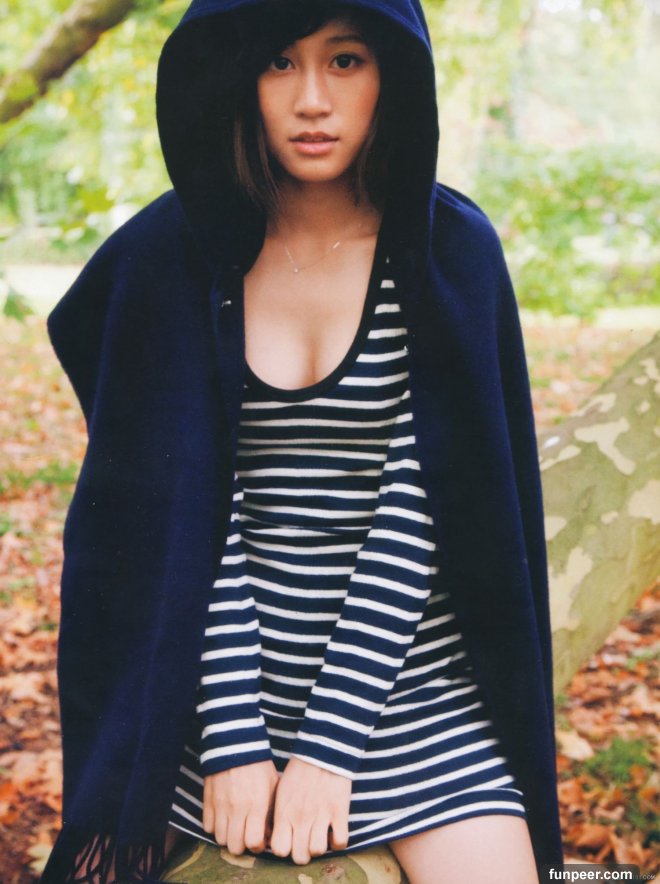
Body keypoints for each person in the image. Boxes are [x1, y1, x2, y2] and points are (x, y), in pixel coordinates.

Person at [41, 1, 563, 882]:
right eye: (279, 62)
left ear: (392, 75)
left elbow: (421, 515)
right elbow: (188, 509)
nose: (312, 99)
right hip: (208, 696)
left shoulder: (447, 253)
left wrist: (326, 751)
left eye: (345, 61)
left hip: (411, 696)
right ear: (237, 73)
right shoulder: (176, 254)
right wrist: (234, 739)